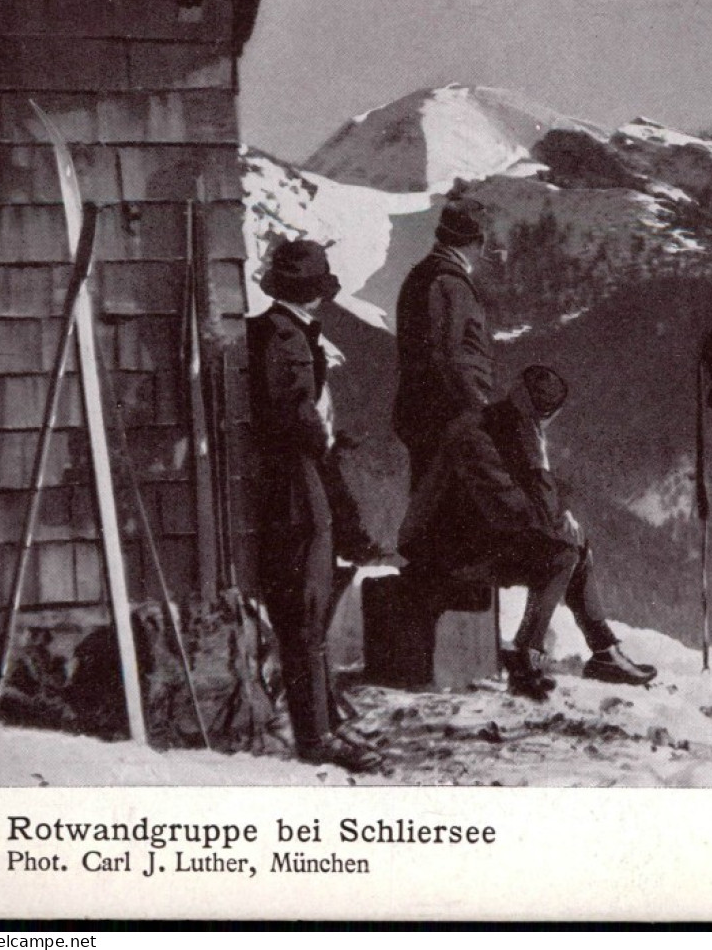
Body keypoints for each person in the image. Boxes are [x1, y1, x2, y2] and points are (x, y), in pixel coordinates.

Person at [399, 364, 656, 699]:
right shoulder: (484, 434)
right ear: (545, 413)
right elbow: (508, 506)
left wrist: (560, 515)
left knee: (573, 547)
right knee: (563, 553)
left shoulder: (500, 424)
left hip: (465, 539)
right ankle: (527, 658)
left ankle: (602, 651)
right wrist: (552, 511)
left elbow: (527, 498)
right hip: (439, 550)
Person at [247, 239, 381, 771]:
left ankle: (323, 719)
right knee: (305, 616)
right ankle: (316, 737)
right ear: (314, 295)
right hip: (298, 492)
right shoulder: (288, 340)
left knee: (304, 613)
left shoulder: (273, 333)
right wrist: (328, 459)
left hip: (286, 487)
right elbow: (301, 423)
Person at [394, 181, 499, 487]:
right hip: (449, 416)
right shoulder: (452, 283)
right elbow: (451, 357)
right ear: (477, 241)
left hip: (421, 411)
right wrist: (480, 409)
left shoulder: (419, 275)